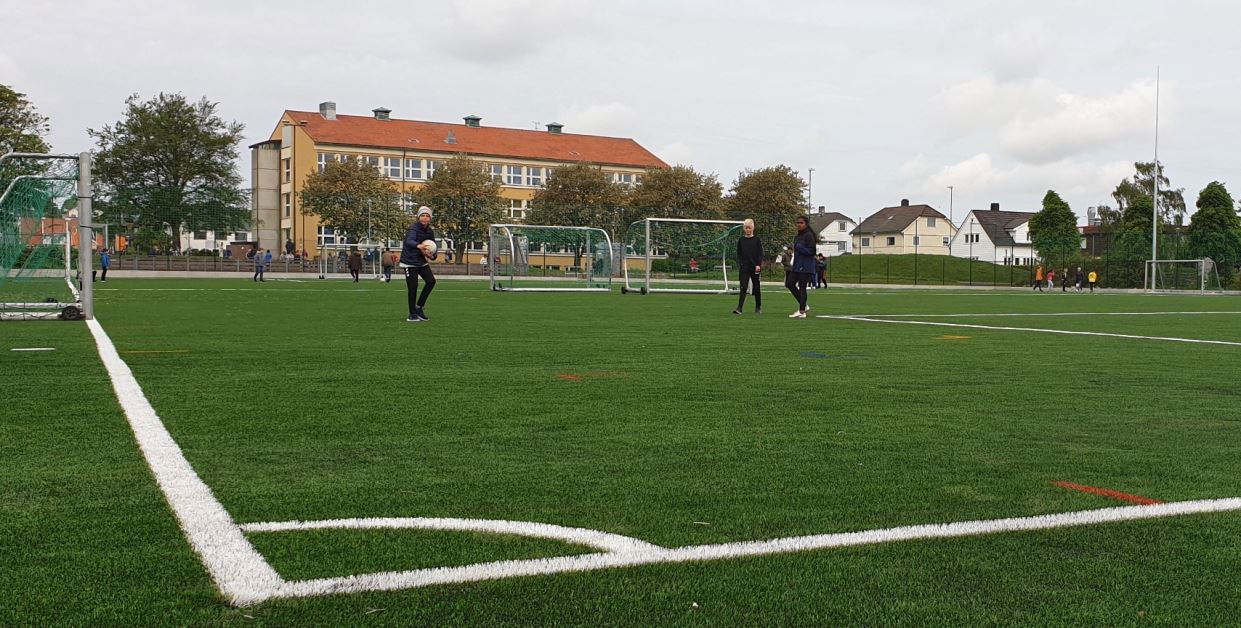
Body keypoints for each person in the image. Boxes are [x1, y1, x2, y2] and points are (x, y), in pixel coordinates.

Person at [400, 206, 438, 322]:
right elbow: (409, 241)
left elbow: (433, 248)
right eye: (422, 215)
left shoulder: (430, 231)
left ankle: (419, 307)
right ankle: (412, 314)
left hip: (420, 261)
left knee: (431, 281)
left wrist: (432, 256)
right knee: (413, 287)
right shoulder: (414, 228)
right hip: (409, 261)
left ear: (430, 218)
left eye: (427, 216)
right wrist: (419, 246)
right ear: (418, 217)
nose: (425, 218)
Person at [787, 215, 816, 318]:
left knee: (802, 287)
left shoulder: (809, 236)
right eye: (797, 223)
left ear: (806, 224)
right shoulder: (797, 236)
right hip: (797, 265)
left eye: (801, 223)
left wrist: (801, 248)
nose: (798, 224)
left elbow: (812, 252)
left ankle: (802, 311)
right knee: (789, 284)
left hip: (806, 265)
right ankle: (804, 305)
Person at [733, 218, 763, 315]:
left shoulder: (757, 240)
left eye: (749, 228)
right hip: (744, 267)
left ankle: (758, 307)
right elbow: (739, 253)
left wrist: (758, 264)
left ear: (753, 228)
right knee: (743, 287)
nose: (748, 230)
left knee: (756, 287)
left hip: (755, 267)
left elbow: (760, 253)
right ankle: (739, 308)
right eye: (746, 228)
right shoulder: (741, 240)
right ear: (744, 229)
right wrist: (741, 263)